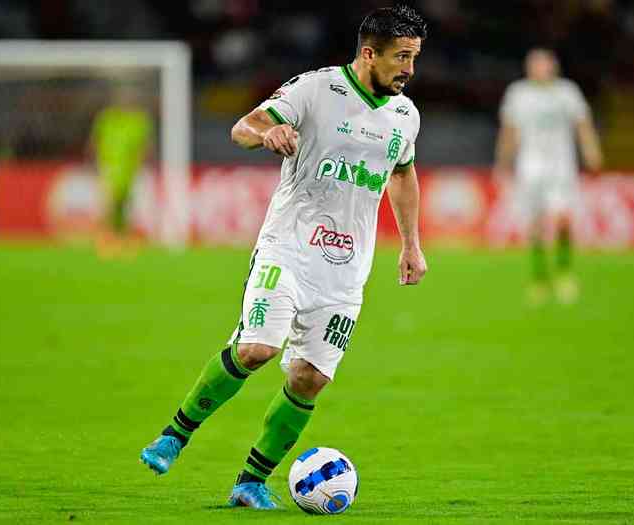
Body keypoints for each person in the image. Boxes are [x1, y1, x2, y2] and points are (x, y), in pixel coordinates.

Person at [139, 5, 428, 510]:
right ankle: (174, 435)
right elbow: (243, 127)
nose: (409, 69)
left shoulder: (406, 115)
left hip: (345, 272)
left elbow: (401, 174)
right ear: (368, 53)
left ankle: (251, 481)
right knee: (257, 348)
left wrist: (410, 243)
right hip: (288, 249)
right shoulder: (316, 90)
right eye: (401, 57)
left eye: (413, 58)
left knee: (309, 378)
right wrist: (266, 133)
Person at [494, 48, 603, 305]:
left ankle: (564, 271)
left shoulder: (567, 92)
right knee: (534, 223)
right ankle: (540, 277)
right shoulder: (518, 94)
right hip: (530, 166)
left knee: (563, 218)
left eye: (543, 64)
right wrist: (503, 161)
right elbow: (509, 130)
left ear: (553, 67)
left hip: (561, 165)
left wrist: (591, 150)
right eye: (534, 65)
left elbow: (582, 124)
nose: (539, 69)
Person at [90, 87, 153, 258]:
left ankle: (122, 241)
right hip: (108, 168)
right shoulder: (106, 119)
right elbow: (95, 142)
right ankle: (104, 241)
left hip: (130, 171)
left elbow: (145, 147)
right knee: (108, 204)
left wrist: (140, 163)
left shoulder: (139, 120)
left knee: (124, 207)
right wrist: (97, 164)